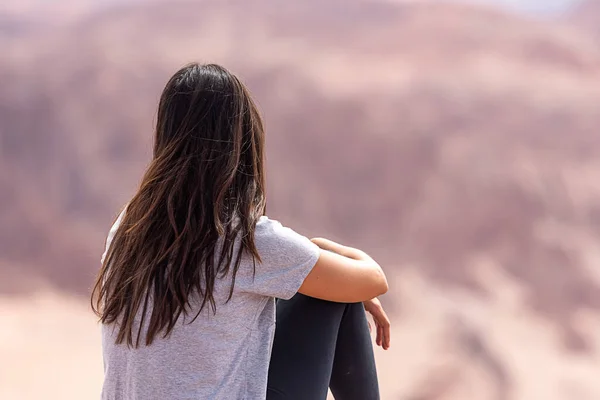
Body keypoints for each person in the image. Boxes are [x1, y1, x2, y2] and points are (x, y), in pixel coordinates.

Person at [92, 63, 391, 400]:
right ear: (240, 143)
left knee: (312, 284)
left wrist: (304, 265)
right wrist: (321, 250)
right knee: (337, 296)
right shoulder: (245, 240)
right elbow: (373, 278)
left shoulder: (129, 227)